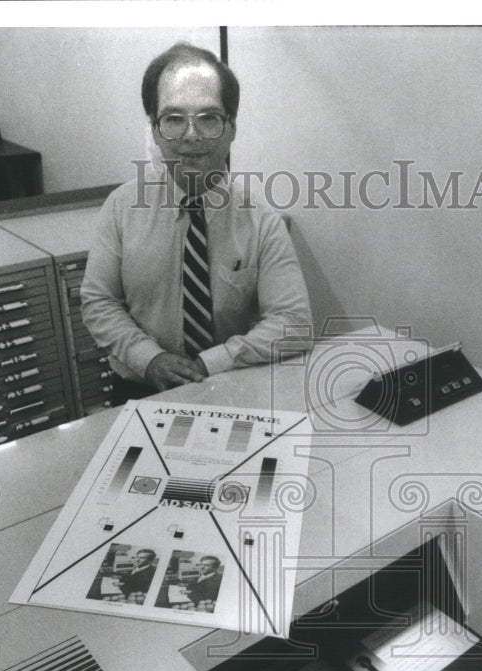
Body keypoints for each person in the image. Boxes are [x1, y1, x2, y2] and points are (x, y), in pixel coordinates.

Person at [80, 42, 312, 402]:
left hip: (231, 386)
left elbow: (293, 324)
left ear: (231, 128)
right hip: (141, 387)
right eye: (173, 119)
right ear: (155, 130)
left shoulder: (261, 221)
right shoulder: (121, 207)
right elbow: (99, 302)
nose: (191, 135)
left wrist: (210, 363)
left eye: (208, 118)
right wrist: (150, 359)